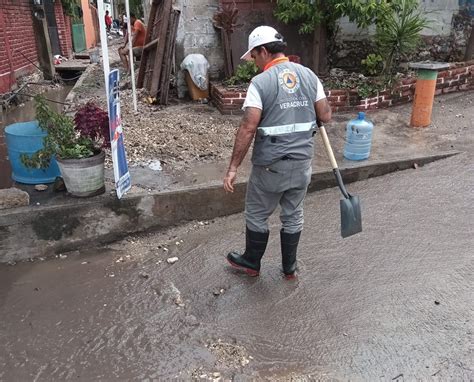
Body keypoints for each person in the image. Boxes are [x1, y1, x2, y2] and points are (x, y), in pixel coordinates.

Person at [223, 26, 332, 279]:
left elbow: (248, 128)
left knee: (257, 213)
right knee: (293, 214)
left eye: (254, 56)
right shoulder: (308, 76)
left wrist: (232, 168)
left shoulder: (260, 83)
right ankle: (289, 267)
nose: (254, 63)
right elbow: (325, 115)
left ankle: (251, 262)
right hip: (302, 162)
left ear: (263, 51)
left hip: (271, 165)